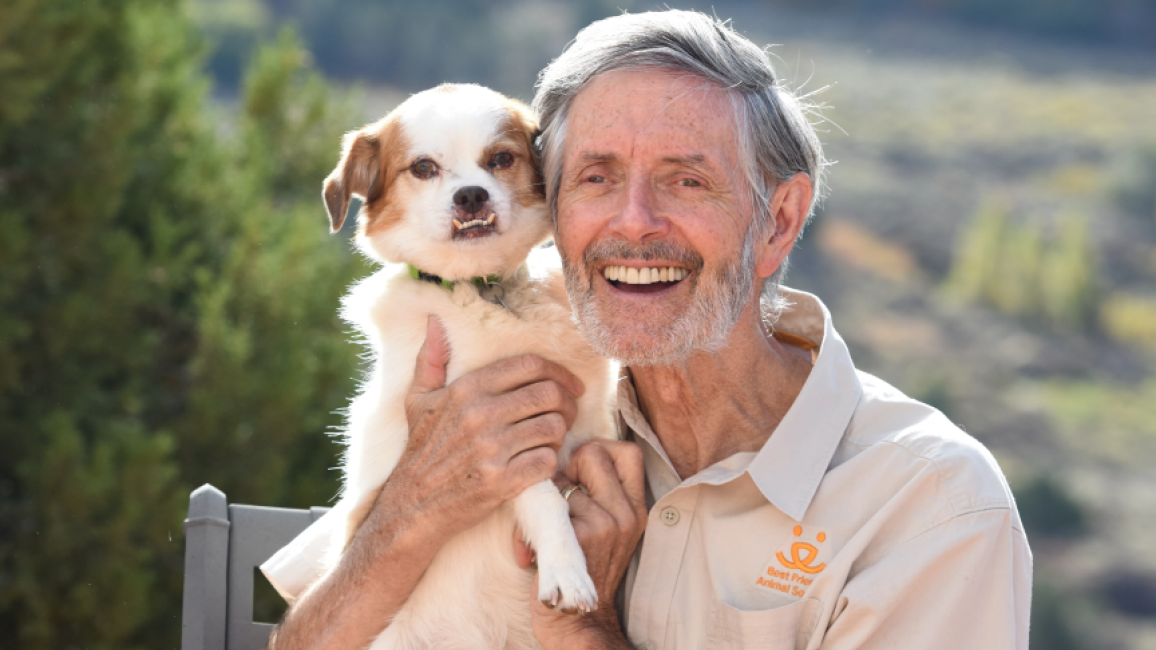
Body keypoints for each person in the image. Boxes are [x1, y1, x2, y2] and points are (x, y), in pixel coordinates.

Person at [267, 10, 1031, 650]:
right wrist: (413, 510)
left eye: (686, 180)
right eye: (596, 178)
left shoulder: (929, 505)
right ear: (551, 210)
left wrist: (586, 629)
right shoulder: (509, 398)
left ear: (779, 222)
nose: (633, 223)